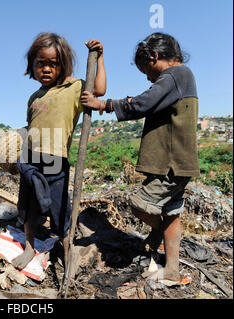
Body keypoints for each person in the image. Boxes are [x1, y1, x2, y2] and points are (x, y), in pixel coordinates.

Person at [81, 32, 199, 283]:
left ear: (154, 57)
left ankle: (159, 235)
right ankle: (171, 268)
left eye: (146, 69)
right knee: (170, 212)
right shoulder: (180, 77)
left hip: (172, 163)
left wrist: (103, 105)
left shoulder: (175, 75)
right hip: (176, 163)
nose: (147, 77)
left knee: (139, 204)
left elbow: (143, 103)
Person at [12, 32, 107, 271]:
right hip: (31, 158)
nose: (45, 69)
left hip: (56, 160)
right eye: (40, 63)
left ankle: (67, 249)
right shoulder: (34, 97)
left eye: (52, 64)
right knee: (29, 208)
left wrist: (99, 58)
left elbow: (100, 90)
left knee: (60, 209)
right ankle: (30, 247)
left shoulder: (73, 87)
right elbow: (31, 127)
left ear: (62, 65)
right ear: (32, 66)